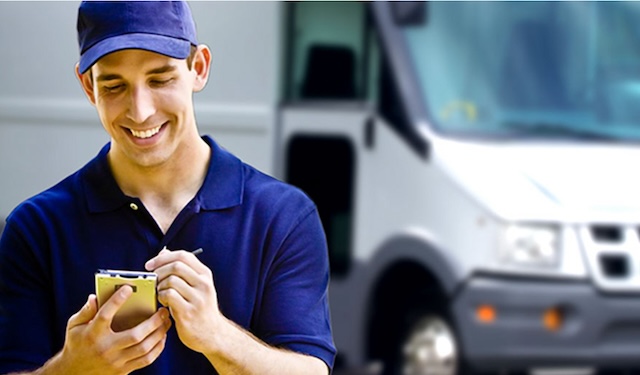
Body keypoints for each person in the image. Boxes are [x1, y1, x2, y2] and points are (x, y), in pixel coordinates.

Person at [0, 1, 335, 374]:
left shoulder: (282, 217)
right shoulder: (37, 228)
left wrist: (217, 336)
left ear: (199, 68)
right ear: (87, 85)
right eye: (114, 85)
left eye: (160, 79)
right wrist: (74, 368)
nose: (140, 111)